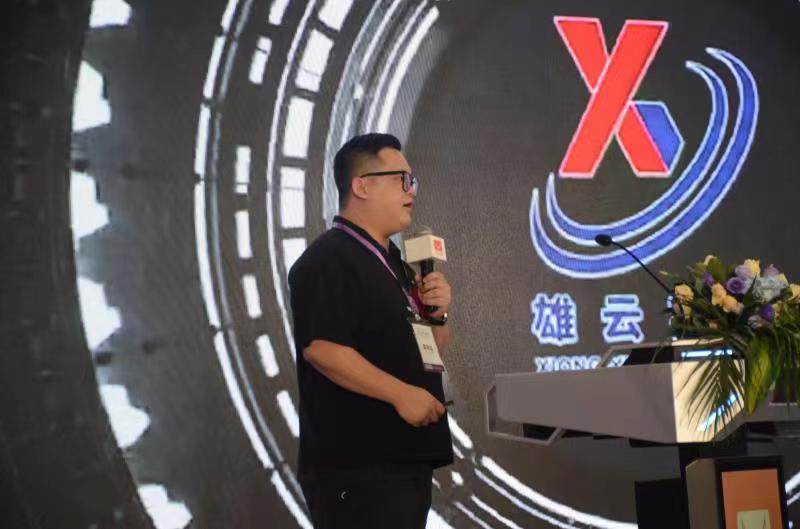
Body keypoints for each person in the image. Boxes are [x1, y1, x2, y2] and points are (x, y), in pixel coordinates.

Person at [288, 133, 454, 529]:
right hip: (358, 466)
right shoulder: (330, 257)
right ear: (362, 186)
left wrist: (438, 314)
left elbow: (429, 353)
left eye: (412, 181)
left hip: (404, 458)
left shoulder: (396, 265)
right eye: (402, 179)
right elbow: (322, 349)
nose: (411, 191)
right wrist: (401, 394)